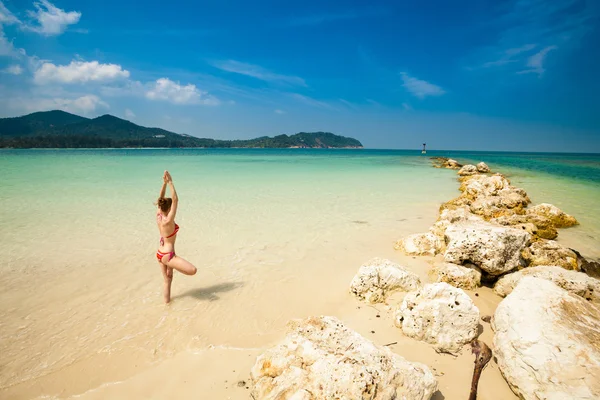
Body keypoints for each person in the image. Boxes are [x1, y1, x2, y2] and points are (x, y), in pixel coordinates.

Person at [156, 170, 196, 303]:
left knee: (167, 280)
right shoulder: (168, 220)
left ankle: (167, 306)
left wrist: (164, 184)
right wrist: (171, 182)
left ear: (161, 207)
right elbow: (176, 199)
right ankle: (167, 305)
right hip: (168, 256)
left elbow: (160, 199)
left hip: (160, 253)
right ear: (169, 209)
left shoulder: (159, 216)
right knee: (193, 270)